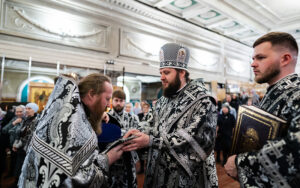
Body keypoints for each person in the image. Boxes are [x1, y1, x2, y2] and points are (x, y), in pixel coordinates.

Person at [123, 43, 218, 187]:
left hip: (187, 179)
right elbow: (151, 125)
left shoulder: (203, 101)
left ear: (182, 73)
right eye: (160, 72)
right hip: (158, 173)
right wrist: (138, 133)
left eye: (166, 72)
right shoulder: (162, 101)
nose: (161, 77)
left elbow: (197, 142)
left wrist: (151, 141)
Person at [18, 73, 124, 187]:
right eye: (107, 99)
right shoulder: (74, 127)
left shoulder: (60, 114)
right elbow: (78, 179)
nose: (108, 105)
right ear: (91, 94)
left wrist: (96, 115)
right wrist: (107, 159)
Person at [225, 32, 300, 187]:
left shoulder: (297, 94)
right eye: (253, 58)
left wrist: (239, 162)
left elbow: (295, 151)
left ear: (285, 59)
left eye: (260, 58)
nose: (252, 64)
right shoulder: (272, 93)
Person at [107, 89, 140, 188]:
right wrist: (125, 135)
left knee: (129, 184)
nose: (118, 103)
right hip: (112, 159)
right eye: (116, 100)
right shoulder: (106, 117)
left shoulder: (133, 118)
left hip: (128, 158)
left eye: (121, 101)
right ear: (112, 101)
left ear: (124, 102)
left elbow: (136, 136)